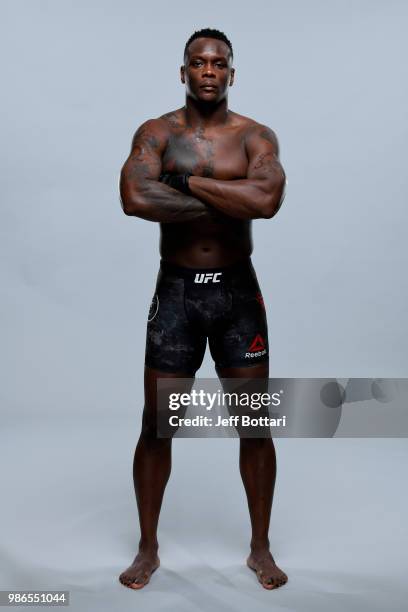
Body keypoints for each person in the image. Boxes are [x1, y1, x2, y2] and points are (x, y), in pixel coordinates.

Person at [118, 28, 287, 590]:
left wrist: (184, 182)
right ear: (184, 71)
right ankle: (147, 547)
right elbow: (135, 197)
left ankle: (260, 547)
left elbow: (265, 201)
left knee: (255, 428)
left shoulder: (255, 136)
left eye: (218, 63)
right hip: (177, 295)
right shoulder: (156, 132)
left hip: (238, 295)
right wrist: (223, 194)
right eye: (198, 63)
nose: (208, 71)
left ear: (232, 73)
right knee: (156, 427)